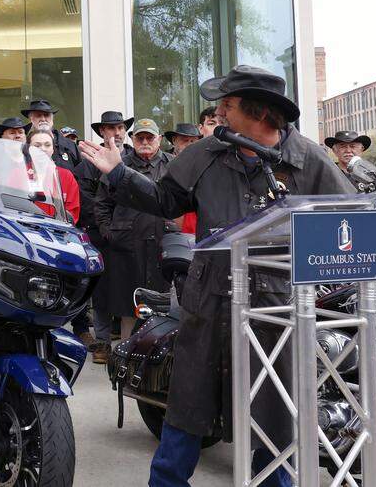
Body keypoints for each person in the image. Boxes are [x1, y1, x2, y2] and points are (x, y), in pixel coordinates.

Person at [78, 65, 354, 487]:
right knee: (188, 405)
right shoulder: (206, 153)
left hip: (274, 310)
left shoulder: (308, 160)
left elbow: (346, 220)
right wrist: (118, 173)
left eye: (228, 104)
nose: (219, 112)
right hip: (208, 300)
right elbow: (165, 199)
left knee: (274, 412)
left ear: (260, 113)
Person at [94, 119, 173, 343]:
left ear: (159, 139)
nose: (145, 142)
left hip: (162, 242)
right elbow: (101, 204)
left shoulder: (173, 164)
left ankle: (160, 353)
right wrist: (110, 232)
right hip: (127, 245)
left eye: (150, 137)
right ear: (132, 140)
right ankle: (125, 354)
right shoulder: (119, 164)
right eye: (140, 138)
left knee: (162, 301)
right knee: (128, 304)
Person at [77, 110, 132, 361]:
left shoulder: (134, 157)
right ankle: (102, 343)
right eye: (111, 128)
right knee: (101, 289)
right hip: (102, 235)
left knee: (131, 289)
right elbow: (87, 200)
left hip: (134, 236)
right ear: (101, 132)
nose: (117, 132)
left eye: (120, 127)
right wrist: (110, 225)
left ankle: (130, 346)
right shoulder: (90, 161)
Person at [27, 129, 80, 224]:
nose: (42, 148)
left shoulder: (66, 176)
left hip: (57, 231)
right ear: (29, 149)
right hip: (26, 230)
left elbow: (72, 212)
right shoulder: (19, 173)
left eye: (47, 145)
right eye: (37, 145)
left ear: (52, 150)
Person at [21, 99, 79, 166]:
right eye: (38, 115)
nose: (43, 119)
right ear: (31, 119)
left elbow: (78, 173)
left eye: (46, 115)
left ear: (52, 118)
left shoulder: (69, 145)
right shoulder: (24, 146)